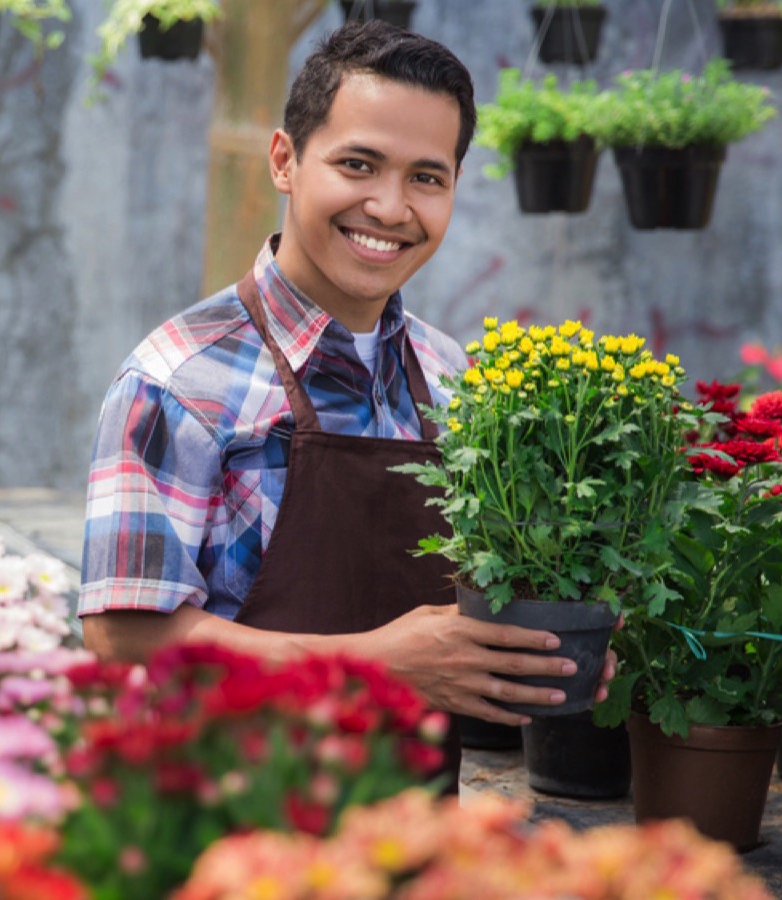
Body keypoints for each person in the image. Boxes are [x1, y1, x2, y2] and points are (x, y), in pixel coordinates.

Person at [77, 20, 613, 786]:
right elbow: (123, 635)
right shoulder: (178, 379)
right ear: (285, 161)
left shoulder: (446, 372)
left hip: (411, 831)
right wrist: (376, 666)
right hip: (228, 829)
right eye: (358, 164)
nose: (391, 208)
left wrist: (553, 645)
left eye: (427, 177)